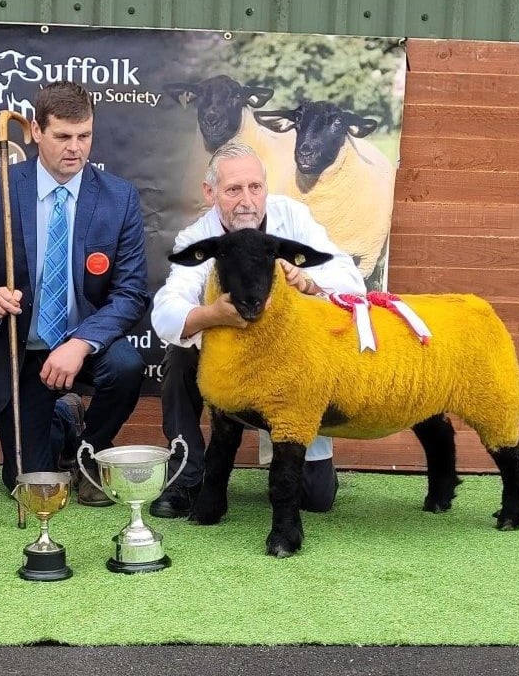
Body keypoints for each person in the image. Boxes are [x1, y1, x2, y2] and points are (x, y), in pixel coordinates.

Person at [0, 81, 150, 506]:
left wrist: (80, 342)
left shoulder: (119, 197)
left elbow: (130, 293)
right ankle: (62, 420)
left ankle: (89, 453)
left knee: (126, 366)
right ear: (36, 131)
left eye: (85, 136)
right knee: (26, 481)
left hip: (84, 343)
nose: (76, 148)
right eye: (63, 136)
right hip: (21, 350)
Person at [149, 141, 367, 518]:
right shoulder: (197, 238)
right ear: (210, 192)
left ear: (266, 188)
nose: (246, 200)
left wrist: (309, 280)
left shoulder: (293, 218)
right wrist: (213, 315)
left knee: (316, 499)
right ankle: (187, 475)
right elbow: (166, 313)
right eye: (233, 190)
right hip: (229, 353)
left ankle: (312, 466)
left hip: (286, 361)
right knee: (181, 354)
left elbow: (352, 282)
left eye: (255, 187)